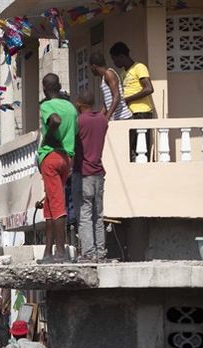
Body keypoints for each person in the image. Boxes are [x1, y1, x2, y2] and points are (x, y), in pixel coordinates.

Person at [37, 73, 78, 263]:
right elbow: (75, 133)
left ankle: (60, 252)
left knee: (57, 204)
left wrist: (50, 136)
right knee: (50, 205)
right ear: (59, 85)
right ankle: (47, 252)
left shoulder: (46, 106)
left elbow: (54, 120)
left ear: (45, 88)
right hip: (66, 158)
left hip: (51, 155)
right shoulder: (71, 107)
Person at [73, 92, 109, 261]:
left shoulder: (79, 121)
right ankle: (100, 252)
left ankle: (88, 252)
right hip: (99, 173)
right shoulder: (102, 120)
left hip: (83, 173)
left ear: (79, 103)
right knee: (98, 215)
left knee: (84, 214)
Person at [109, 41, 155, 161]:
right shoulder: (123, 73)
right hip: (130, 114)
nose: (115, 63)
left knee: (141, 146)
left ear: (122, 56)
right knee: (131, 147)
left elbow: (149, 88)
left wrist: (127, 99)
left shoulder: (139, 67)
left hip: (142, 113)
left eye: (115, 59)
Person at [89, 52, 132, 122]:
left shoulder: (109, 74)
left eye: (90, 67)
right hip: (116, 119)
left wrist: (107, 117)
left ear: (94, 66)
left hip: (123, 118)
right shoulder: (103, 78)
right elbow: (107, 103)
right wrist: (98, 118)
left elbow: (117, 97)